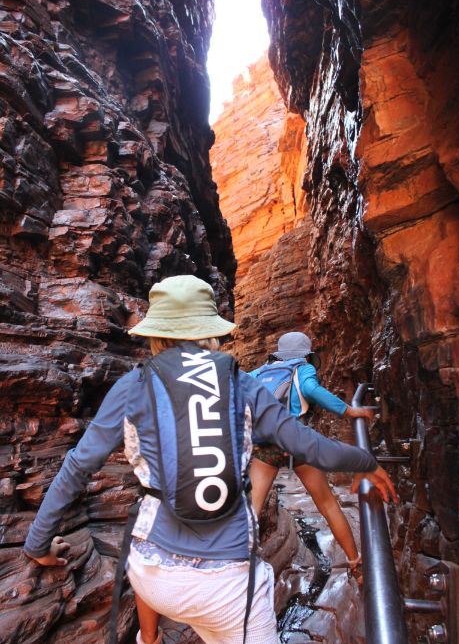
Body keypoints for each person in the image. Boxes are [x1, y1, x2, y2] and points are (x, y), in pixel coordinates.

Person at [24, 275, 397, 644]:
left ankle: (148, 638)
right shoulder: (241, 384)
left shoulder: (132, 385)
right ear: (209, 333)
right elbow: (312, 446)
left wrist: (37, 544)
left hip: (151, 578)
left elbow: (78, 466)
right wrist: (365, 461)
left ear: (157, 334)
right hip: (227, 591)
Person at [249, 331, 375, 582]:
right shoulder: (302, 368)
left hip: (265, 446)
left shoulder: (259, 373)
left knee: (250, 511)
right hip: (297, 442)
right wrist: (348, 411)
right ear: (306, 353)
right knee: (327, 504)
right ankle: (355, 564)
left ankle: (231, 571)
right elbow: (311, 389)